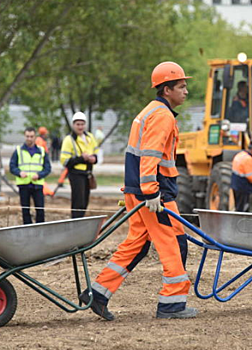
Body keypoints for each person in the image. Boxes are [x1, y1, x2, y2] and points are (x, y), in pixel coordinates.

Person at [79, 61, 197, 320]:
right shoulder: (162, 116)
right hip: (155, 194)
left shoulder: (150, 111)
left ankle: (97, 294)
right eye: (181, 86)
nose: (186, 91)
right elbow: (150, 155)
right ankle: (172, 303)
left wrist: (142, 190)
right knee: (173, 242)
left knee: (137, 243)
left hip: (138, 191)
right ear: (167, 90)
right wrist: (151, 192)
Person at [60, 112, 99, 218]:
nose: (80, 127)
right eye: (78, 124)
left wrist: (93, 159)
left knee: (85, 201)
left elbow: (96, 152)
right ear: (73, 125)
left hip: (87, 173)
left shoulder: (90, 137)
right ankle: (76, 222)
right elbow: (65, 161)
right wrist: (81, 159)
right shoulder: (69, 140)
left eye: (82, 124)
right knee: (78, 202)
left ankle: (80, 221)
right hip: (76, 174)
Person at [9, 127, 51, 224]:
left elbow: (47, 168)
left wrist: (39, 175)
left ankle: (40, 229)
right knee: (25, 210)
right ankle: (27, 229)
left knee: (40, 210)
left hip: (37, 185)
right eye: (27, 136)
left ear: (35, 137)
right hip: (24, 185)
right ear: (24, 136)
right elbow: (12, 166)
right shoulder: (18, 151)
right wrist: (19, 173)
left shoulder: (41, 151)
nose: (29, 138)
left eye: (31, 136)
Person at [231, 139, 252, 212]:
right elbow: (251, 177)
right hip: (243, 187)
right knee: (243, 208)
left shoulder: (240, 154)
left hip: (236, 185)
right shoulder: (248, 159)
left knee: (238, 206)